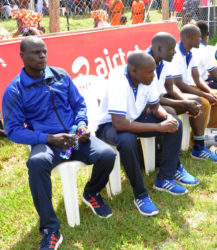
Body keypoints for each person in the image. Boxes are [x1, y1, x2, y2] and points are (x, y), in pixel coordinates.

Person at [1, 37, 116, 249]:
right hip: (47, 141)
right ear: (22, 56)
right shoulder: (15, 90)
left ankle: (91, 192)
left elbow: (79, 104)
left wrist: (81, 125)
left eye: (43, 51)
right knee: (36, 164)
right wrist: (47, 138)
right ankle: (50, 229)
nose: (42, 56)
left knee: (108, 155)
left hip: (74, 136)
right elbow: (14, 130)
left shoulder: (61, 75)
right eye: (35, 53)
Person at [96, 51, 198, 216]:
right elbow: (119, 123)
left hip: (134, 117)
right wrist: (159, 128)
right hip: (108, 125)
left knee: (175, 124)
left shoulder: (148, 76)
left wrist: (166, 118)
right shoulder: (119, 81)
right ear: (134, 71)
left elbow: (155, 107)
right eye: (150, 72)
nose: (153, 75)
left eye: (154, 70)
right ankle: (141, 195)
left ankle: (165, 178)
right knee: (128, 140)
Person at [148, 32, 217, 162]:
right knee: (171, 111)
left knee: (196, 101)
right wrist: (184, 104)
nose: (174, 53)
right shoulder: (145, 63)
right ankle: (171, 160)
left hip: (160, 98)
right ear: (159, 48)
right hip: (146, 105)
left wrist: (186, 101)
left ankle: (199, 147)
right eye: (171, 50)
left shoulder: (163, 60)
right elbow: (151, 100)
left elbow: (171, 87)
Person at [170, 25, 217, 142]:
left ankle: (210, 138)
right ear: (191, 38)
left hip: (188, 87)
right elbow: (179, 85)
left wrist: (210, 91)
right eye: (199, 37)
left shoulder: (190, 52)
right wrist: (206, 95)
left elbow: (197, 78)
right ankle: (195, 141)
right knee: (204, 102)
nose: (201, 39)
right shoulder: (175, 54)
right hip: (176, 91)